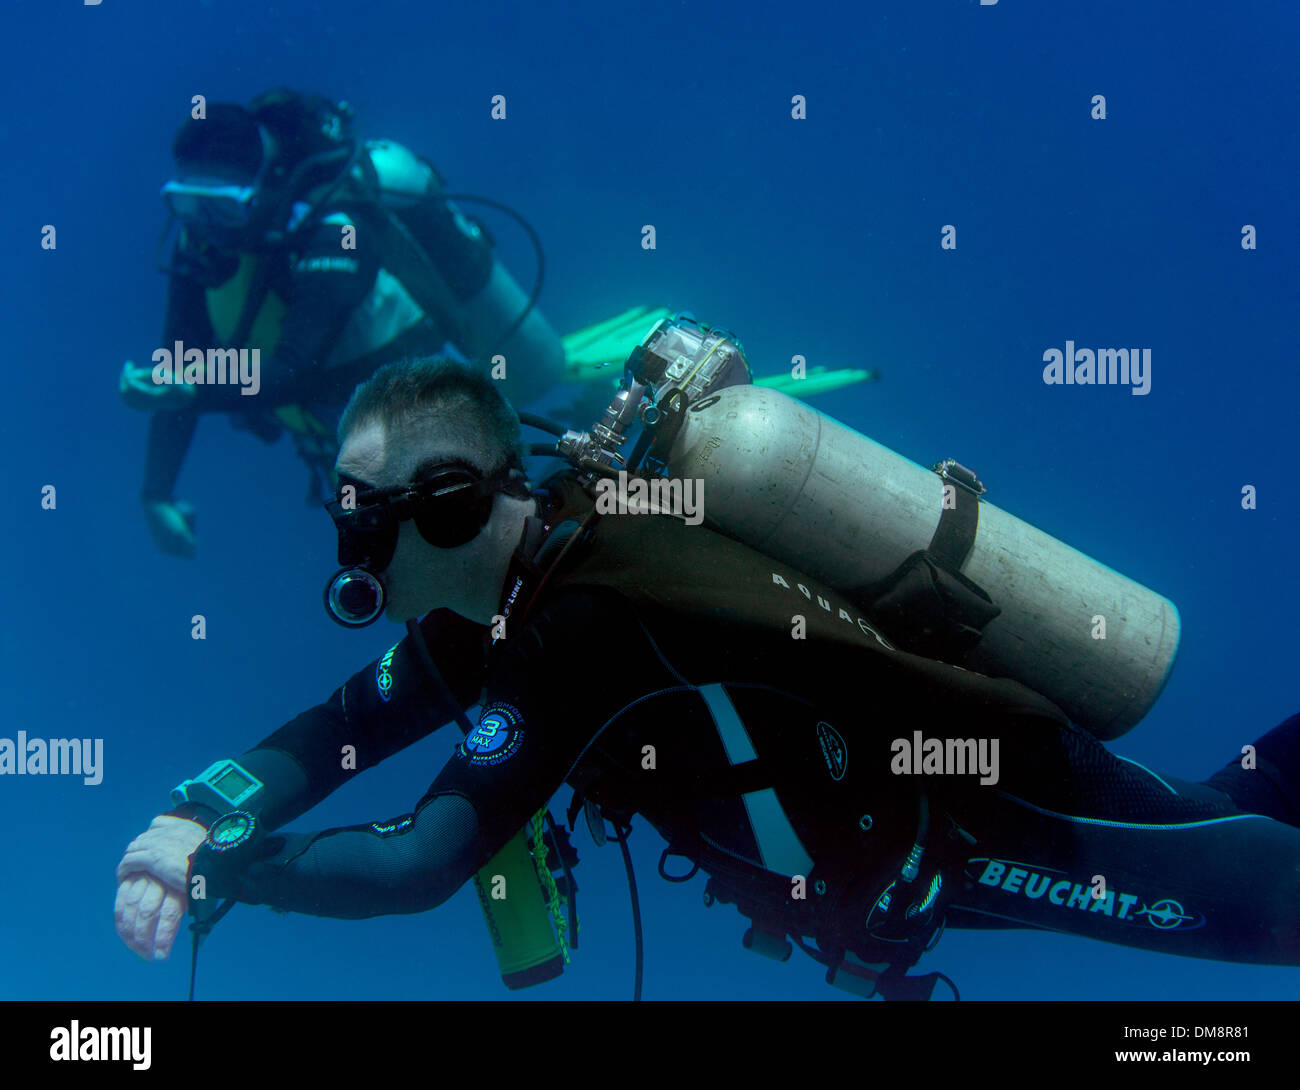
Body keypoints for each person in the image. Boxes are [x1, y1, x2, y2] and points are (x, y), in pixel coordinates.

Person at [113, 355, 1300, 999]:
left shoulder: (582, 622)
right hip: (921, 842)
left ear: (457, 503)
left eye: (366, 519)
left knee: (1271, 902)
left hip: (998, 807)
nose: (349, 556)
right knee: (1249, 832)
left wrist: (225, 875)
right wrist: (192, 812)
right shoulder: (504, 600)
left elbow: (418, 861)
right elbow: (342, 726)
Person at [119, 88, 566, 558]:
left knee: (489, 548)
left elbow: (294, 369)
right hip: (348, 442)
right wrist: (157, 491)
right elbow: (179, 364)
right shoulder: (201, 246)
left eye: (223, 208)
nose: (206, 228)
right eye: (187, 206)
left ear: (262, 190)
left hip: (428, 421)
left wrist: (194, 389)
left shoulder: (336, 229)